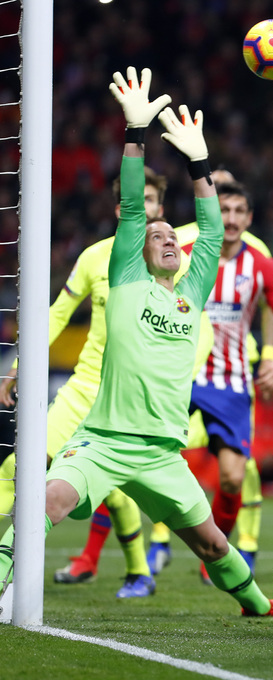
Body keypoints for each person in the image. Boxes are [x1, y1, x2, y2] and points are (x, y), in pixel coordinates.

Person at [0, 67, 273, 618]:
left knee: (214, 544)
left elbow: (213, 231)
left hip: (161, 453)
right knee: (42, 503)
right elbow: (131, 209)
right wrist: (135, 133)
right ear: (138, 250)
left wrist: (200, 164)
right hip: (103, 440)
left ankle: (260, 606)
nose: (168, 237)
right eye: (157, 236)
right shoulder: (124, 280)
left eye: (174, 234)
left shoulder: (192, 291)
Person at [0, 165, 209, 598]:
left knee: (118, 491)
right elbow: (56, 313)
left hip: (136, 398)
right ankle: (130, 570)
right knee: (19, 467)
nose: (149, 210)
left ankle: (138, 573)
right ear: (124, 206)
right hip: (85, 389)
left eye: (156, 203)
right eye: (142, 201)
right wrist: (19, 363)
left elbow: (197, 326)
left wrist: (180, 385)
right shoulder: (97, 257)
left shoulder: (176, 260)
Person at [152, 179, 273, 585]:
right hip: (182, 377)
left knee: (232, 478)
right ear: (212, 216)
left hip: (231, 382)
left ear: (250, 218)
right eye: (225, 211)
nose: (233, 219)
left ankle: (213, 551)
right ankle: (143, 553)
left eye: (240, 211)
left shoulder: (261, 265)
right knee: (142, 456)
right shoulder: (184, 257)